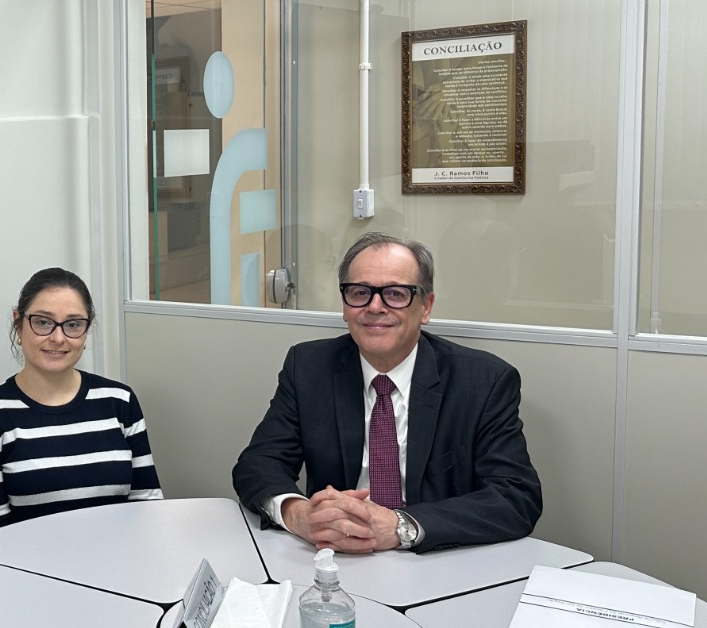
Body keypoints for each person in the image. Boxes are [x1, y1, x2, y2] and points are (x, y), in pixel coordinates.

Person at [232, 232, 542, 554]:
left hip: (438, 560)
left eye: (395, 293)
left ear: (425, 307)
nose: (375, 307)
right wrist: (299, 515)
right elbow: (258, 463)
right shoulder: (309, 367)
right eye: (360, 292)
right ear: (345, 304)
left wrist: (400, 526)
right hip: (336, 559)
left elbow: (515, 497)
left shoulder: (483, 381)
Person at [0, 267, 163, 533]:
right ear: (18, 323)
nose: (58, 338)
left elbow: (148, 505)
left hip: (122, 562)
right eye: (43, 322)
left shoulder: (119, 401)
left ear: (86, 330)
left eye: (73, 325)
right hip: (33, 570)